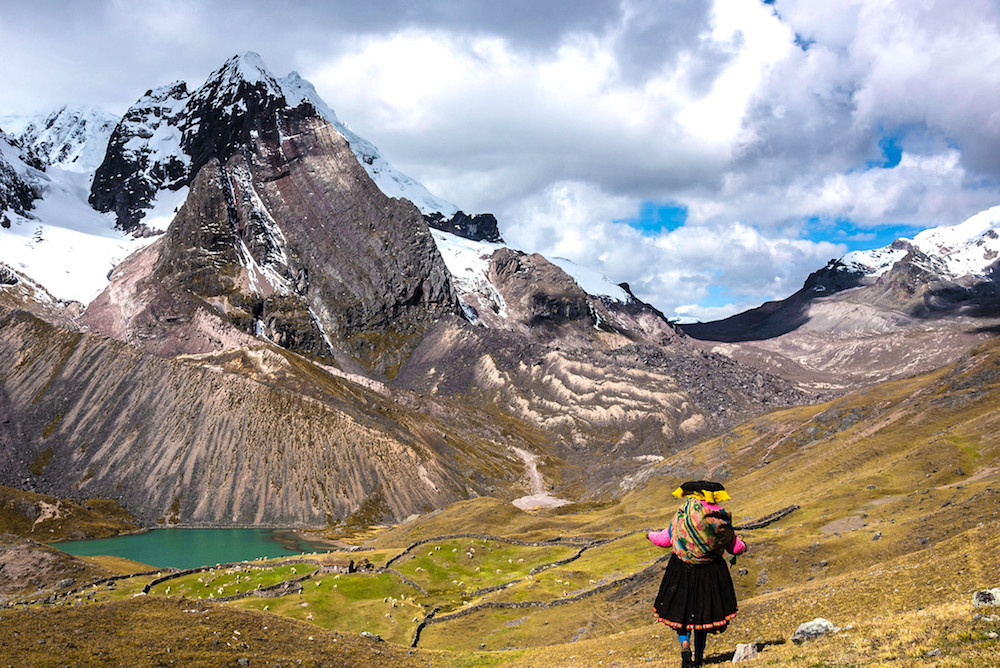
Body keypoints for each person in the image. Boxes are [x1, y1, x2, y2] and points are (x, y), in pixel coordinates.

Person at [647, 480, 746, 668]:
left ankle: (685, 646)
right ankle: (699, 658)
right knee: (703, 615)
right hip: (710, 573)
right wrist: (744, 547)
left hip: (681, 570)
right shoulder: (720, 519)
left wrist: (649, 535)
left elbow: (665, 539)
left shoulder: (683, 515)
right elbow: (735, 547)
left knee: (682, 614)